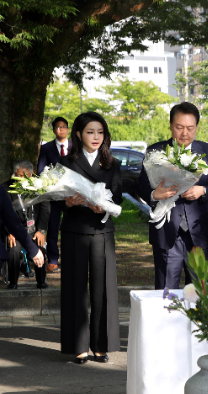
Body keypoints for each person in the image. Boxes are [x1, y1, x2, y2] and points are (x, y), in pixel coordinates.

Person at [136, 102, 208, 290]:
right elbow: (141, 186)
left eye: (190, 128)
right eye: (179, 127)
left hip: (198, 233)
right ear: (170, 125)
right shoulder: (155, 151)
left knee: (200, 291)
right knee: (166, 292)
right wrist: (154, 194)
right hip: (167, 231)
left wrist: (203, 190)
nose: (184, 133)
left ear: (197, 127)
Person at [59, 111, 121, 364]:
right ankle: (79, 346)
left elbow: (117, 199)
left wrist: (104, 207)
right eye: (90, 132)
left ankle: (100, 345)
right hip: (74, 230)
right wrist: (67, 201)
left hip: (101, 232)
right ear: (78, 134)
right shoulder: (66, 163)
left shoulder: (112, 164)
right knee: (75, 289)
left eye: (100, 132)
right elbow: (55, 202)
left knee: (102, 289)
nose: (96, 137)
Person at [1, 160, 50, 289]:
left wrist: (42, 230)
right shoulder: (5, 188)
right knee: (14, 250)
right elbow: (4, 215)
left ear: (31, 174)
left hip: (33, 229)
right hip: (15, 230)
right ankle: (13, 282)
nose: (20, 179)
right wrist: (8, 232)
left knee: (41, 247)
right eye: (17, 175)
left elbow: (45, 209)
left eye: (23, 176)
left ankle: (41, 282)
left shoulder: (38, 187)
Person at [37, 116, 71, 273]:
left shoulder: (76, 147)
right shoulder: (47, 148)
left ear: (68, 129)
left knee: (72, 228)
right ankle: (52, 260)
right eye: (58, 127)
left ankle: (72, 259)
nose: (61, 129)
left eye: (64, 127)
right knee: (52, 227)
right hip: (54, 197)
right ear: (53, 130)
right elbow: (40, 171)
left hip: (73, 196)